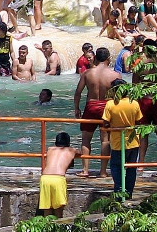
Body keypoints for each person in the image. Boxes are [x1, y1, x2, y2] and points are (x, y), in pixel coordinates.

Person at [74, 48, 121, 178]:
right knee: (105, 141)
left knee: (86, 139)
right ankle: (103, 171)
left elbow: (78, 92)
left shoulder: (88, 73)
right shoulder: (115, 75)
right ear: (108, 59)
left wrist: (76, 108)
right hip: (107, 106)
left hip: (91, 105)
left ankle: (85, 170)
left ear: (95, 58)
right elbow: (119, 96)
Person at [102, 79, 142, 198]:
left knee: (116, 166)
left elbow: (105, 123)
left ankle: (119, 189)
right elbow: (139, 121)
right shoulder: (134, 103)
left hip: (118, 141)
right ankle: (129, 192)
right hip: (133, 140)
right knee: (131, 168)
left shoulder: (110, 104)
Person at [37, 132, 78, 217]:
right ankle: (58, 227)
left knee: (47, 209)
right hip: (58, 178)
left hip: (45, 178)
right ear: (68, 143)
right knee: (58, 210)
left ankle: (46, 228)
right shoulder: (72, 150)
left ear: (55, 143)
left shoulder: (50, 149)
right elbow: (82, 152)